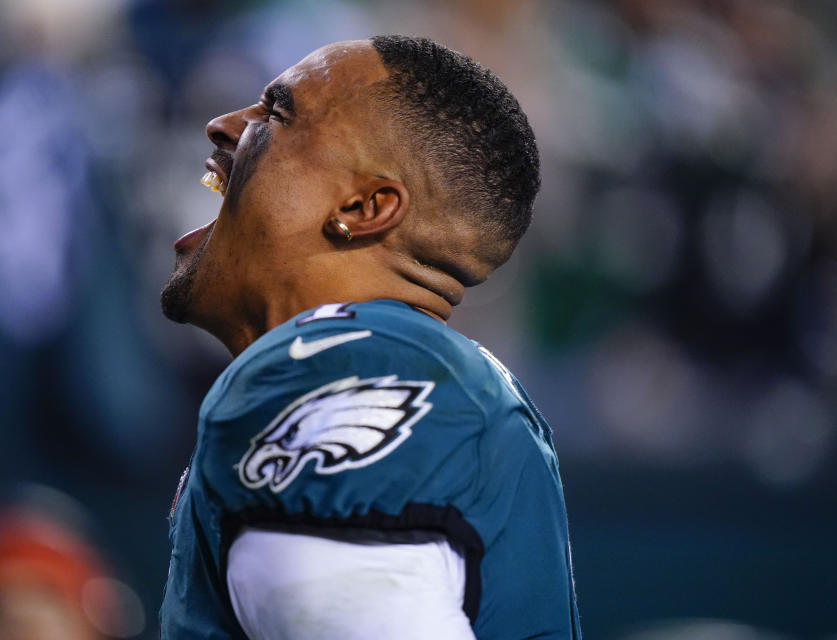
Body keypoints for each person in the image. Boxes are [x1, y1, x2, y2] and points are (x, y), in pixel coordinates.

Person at [159, 35, 582, 639]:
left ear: (363, 207)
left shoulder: (341, 366)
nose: (223, 125)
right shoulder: (439, 377)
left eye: (276, 114)